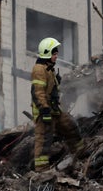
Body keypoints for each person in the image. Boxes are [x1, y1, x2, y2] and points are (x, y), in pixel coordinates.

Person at [31, 37, 84, 171]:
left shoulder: (49, 69)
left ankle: (82, 155)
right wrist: (44, 110)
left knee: (71, 127)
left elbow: (52, 90)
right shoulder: (39, 69)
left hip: (55, 109)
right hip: (44, 111)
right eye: (54, 54)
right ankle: (41, 170)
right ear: (48, 53)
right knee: (44, 140)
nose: (56, 56)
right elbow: (38, 92)